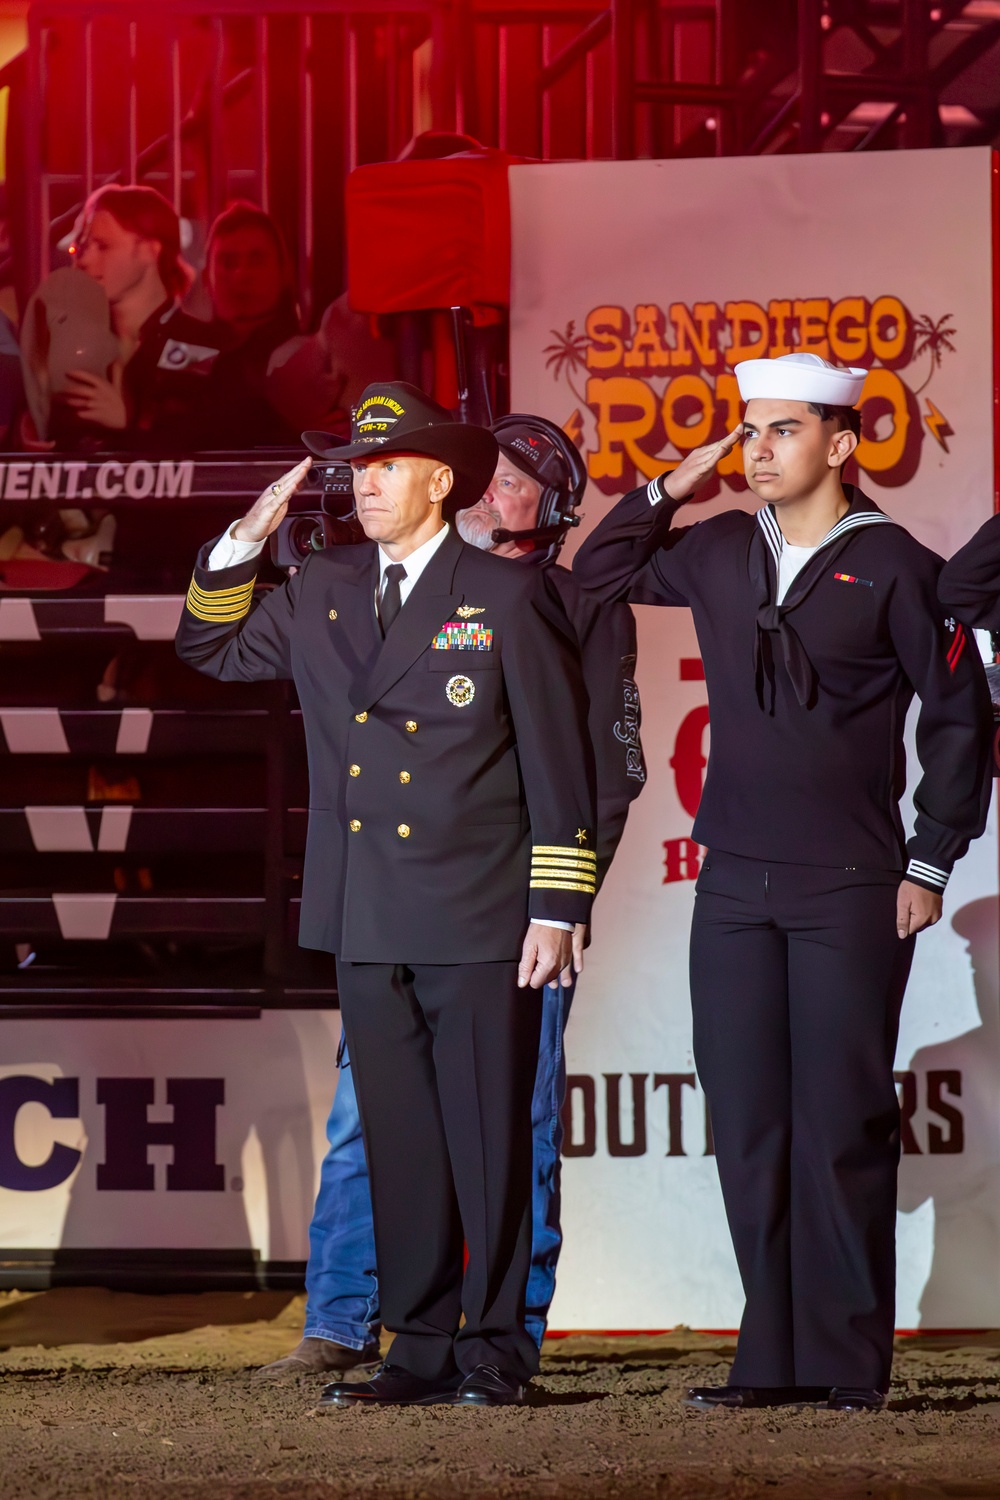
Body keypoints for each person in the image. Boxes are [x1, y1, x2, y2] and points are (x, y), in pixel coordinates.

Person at [573, 351, 992, 1414]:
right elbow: (598, 576)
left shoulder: (898, 566)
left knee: (840, 1121)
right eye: (747, 432)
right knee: (749, 1121)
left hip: (853, 887)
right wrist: (674, 480)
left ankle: (845, 1367)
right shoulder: (716, 547)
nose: (756, 450)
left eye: (780, 431)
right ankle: (771, 1361)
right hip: (733, 888)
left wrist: (929, 858)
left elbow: (958, 721)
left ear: (842, 444)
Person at [176, 382, 596, 1408]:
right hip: (364, 908)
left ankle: (493, 1353)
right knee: (402, 1138)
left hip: (477, 909)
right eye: (356, 467)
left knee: (488, 1138)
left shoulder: (504, 592)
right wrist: (242, 539)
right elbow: (210, 649)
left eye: (385, 465)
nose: (362, 483)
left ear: (440, 481)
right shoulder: (320, 584)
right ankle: (415, 1347)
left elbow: (557, 757)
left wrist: (558, 905)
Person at [255, 414, 645, 1382]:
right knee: (375, 1125)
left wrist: (558, 903)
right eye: (488, 473)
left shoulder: (564, 603)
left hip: (501, 915)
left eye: (511, 483)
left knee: (517, 1129)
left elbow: (588, 769)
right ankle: (363, 1326)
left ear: (551, 514)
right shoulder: (374, 589)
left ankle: (506, 1338)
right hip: (389, 913)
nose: (486, 493)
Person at [60, 184, 223, 450]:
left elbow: (191, 448)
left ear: (150, 250)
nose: (84, 260)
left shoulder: (195, 345)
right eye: (81, 247)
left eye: (102, 246)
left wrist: (128, 422)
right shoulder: (75, 346)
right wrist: (29, 433)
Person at [203, 200, 300, 448]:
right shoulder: (185, 357)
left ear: (285, 271)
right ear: (206, 278)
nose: (241, 274)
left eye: (256, 260)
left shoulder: (310, 358)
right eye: (227, 262)